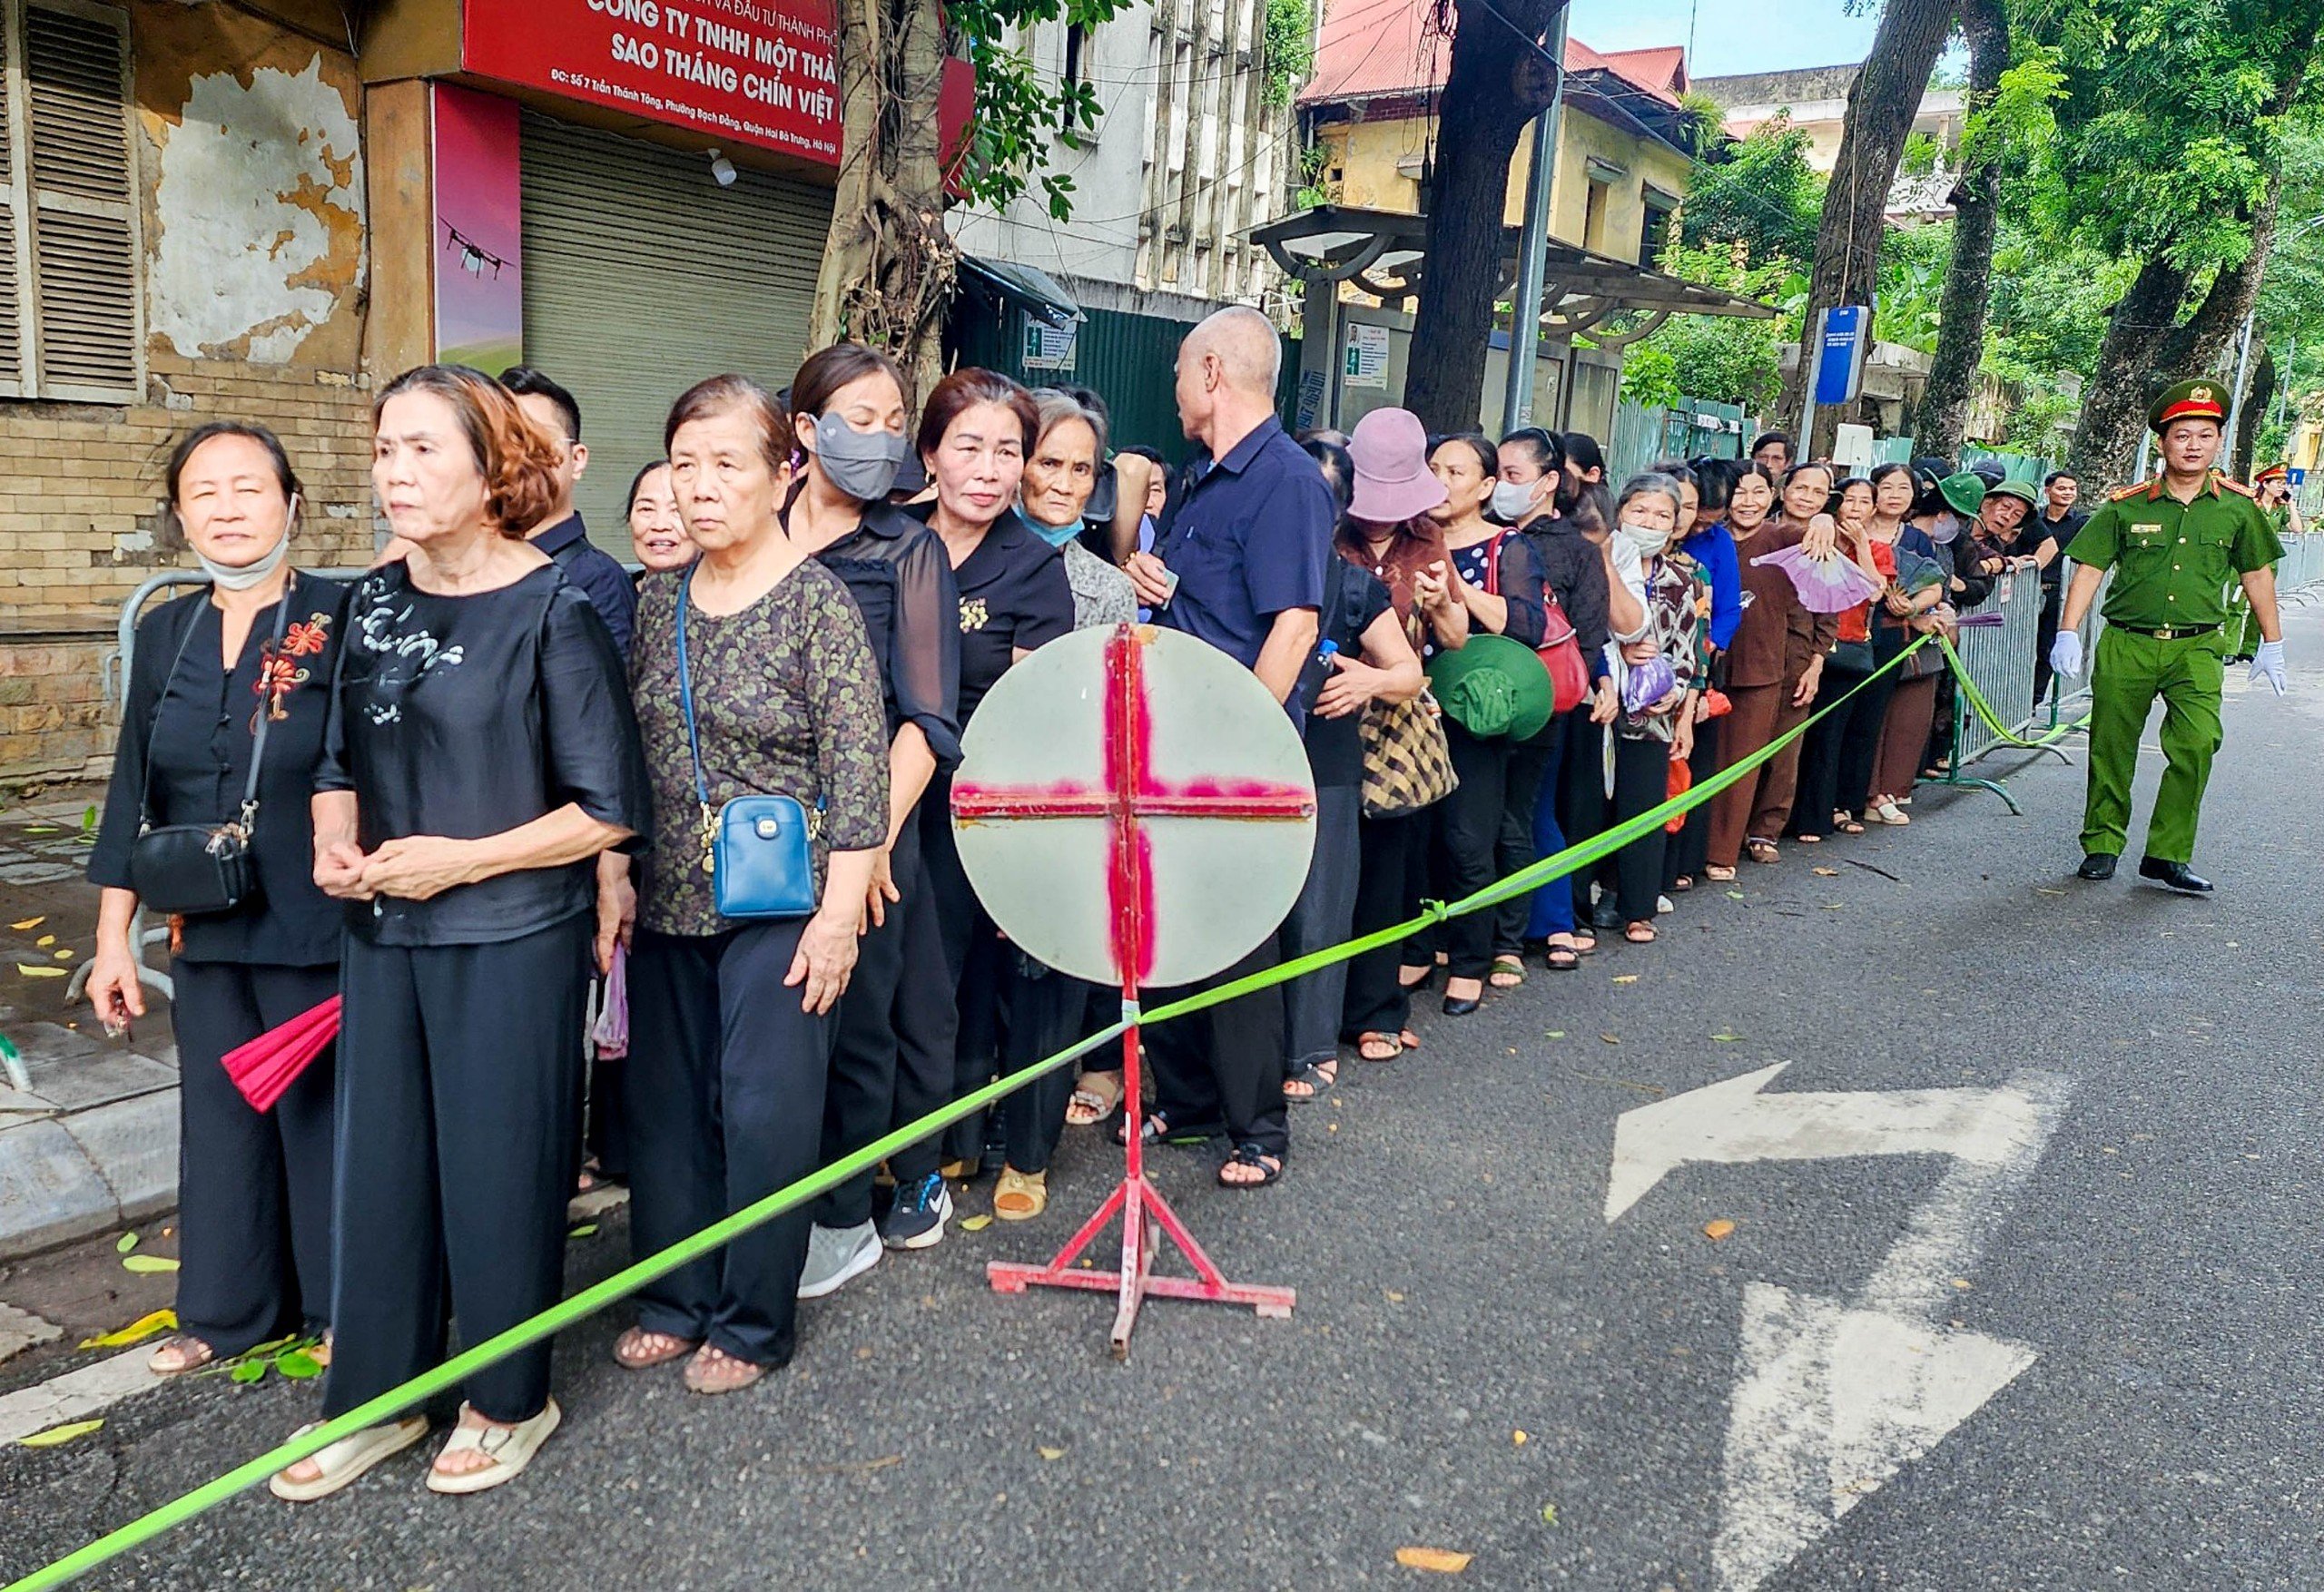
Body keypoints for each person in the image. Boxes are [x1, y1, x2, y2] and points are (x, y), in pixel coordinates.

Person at [274, 364, 648, 1501]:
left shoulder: (556, 608)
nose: (394, 471)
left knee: (499, 1168)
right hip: (384, 930)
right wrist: (336, 838)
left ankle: (507, 1394)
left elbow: (606, 807)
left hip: (511, 935)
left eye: (423, 450)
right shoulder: (368, 602)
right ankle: (380, 1398)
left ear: (493, 473)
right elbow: (335, 756)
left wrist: (465, 860)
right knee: (379, 1171)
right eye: (385, 448)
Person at [611, 377, 890, 1395]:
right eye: (684, 463)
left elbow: (859, 770)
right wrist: (615, 870)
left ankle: (752, 1317)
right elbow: (626, 754)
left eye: (726, 463)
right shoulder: (656, 603)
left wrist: (839, 916)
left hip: (786, 898)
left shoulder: (820, 603)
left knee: (766, 1112)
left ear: (785, 473)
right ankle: (674, 1297)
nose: (700, 486)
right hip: (671, 895)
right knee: (668, 1111)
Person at [86, 423, 349, 1381]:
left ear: (291, 503)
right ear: (180, 514)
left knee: (324, 1116)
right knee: (221, 1114)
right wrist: (115, 939)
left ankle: (341, 1305)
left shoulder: (343, 612)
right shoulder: (168, 629)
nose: (228, 509)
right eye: (205, 492)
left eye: (248, 487)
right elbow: (131, 793)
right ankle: (230, 1312)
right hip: (205, 920)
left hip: (320, 917)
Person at [1123, 305, 1333, 1189]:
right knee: (1169, 933)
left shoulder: (1284, 477)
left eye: (1178, 369)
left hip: (1233, 757)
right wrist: (1148, 578)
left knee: (1238, 946)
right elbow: (1200, 601)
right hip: (1167, 744)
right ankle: (1192, 1098)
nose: (1173, 388)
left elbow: (1294, 623)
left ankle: (1257, 1128)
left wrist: (1242, 744)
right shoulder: (1201, 478)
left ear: (1212, 371)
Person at [779, 343, 964, 1291]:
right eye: (864, 415)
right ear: (807, 430)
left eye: (897, 421)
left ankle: (843, 1213)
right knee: (768, 1018)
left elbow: (927, 716)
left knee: (857, 1019)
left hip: (878, 824)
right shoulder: (757, 533)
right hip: (760, 828)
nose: (884, 437)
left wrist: (872, 837)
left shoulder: (907, 547)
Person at [904, 372, 1077, 1209]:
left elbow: (1035, 717)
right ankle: (944, 1141)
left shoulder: (1033, 570)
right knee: (931, 977)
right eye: (968, 446)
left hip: (996, 800)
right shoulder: (893, 542)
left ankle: (1025, 1153)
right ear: (929, 453)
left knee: (1015, 974)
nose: (988, 467)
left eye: (1007, 450)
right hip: (901, 800)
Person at [2053, 379, 2287, 893]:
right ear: (2163, 443)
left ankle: (2167, 853)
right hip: (2128, 642)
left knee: (2198, 743)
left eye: (2206, 434)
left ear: (2219, 442)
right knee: (2111, 746)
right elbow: (2089, 569)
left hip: (2198, 645)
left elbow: (2257, 575)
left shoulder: (2238, 507)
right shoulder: (2126, 506)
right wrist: (2067, 631)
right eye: (2182, 434)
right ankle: (2102, 844)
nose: (2194, 444)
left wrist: (2272, 641)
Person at [1282, 436, 1422, 1094]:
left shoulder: (1355, 586)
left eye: (1323, 501)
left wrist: (1366, 682)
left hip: (1327, 764)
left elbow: (1408, 673)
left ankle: (1309, 1049)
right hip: (1245, 759)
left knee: (1319, 910)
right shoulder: (1242, 564)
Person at [1411, 430, 1547, 1014]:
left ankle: (1470, 961)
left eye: (1457, 472)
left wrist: (1455, 589)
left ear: (1488, 486)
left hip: (1473, 713)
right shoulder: (1407, 538)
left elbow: (1526, 626)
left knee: (1469, 839)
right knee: (1412, 838)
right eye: (1432, 467)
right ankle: (1418, 947)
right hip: (1408, 705)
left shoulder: (1506, 547)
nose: (1440, 481)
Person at [1334, 411, 1453, 1066]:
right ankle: (1315, 1014)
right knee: (1327, 875)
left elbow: (1457, 636)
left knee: (1386, 878)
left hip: (1398, 725)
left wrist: (1439, 604)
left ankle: (1378, 1008)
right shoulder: (1326, 528)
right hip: (1323, 712)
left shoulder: (1426, 537)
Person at [1494, 427, 1608, 972]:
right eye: (1498, 474)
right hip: (1479, 693)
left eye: (1513, 476)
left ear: (1548, 483)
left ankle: (1555, 921)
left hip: (1542, 699)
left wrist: (1585, 682)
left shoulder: (1578, 552)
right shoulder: (1484, 537)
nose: (1502, 486)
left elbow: (1589, 637)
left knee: (1533, 810)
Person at [1704, 462, 1836, 879]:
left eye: (1759, 493)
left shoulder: (1783, 538)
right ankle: (1692, 847)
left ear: (1773, 495)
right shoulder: (1709, 537)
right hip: (1709, 661)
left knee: (1748, 762)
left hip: (1765, 665)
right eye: (1739, 493)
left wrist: (1825, 519)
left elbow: (1824, 581)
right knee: (1705, 758)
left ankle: (1726, 850)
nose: (1748, 502)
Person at [499, 366, 638, 655]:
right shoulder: (480, 568)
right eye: (504, 442)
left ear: (577, 460)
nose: (520, 458)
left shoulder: (598, 581)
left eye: (538, 441)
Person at [1789, 477, 1895, 841]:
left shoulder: (1878, 549)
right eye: (1849, 500)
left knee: (1831, 735)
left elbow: (1876, 590)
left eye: (1864, 502)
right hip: (1808, 642)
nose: (1855, 508)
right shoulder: (1818, 535)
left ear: (1874, 509)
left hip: (1847, 645)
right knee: (1800, 732)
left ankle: (1819, 816)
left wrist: (1862, 545)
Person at [1863, 462, 1949, 824]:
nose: (1895, 495)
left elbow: (1934, 584)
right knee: (1860, 717)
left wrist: (1913, 607)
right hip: (1856, 632)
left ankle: (1883, 791)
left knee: (1893, 717)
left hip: (1898, 632)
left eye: (1904, 489)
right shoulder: (1851, 528)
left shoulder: (1916, 539)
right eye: (1887, 487)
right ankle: (1856, 793)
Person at [2027, 469, 2087, 707]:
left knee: (2046, 648)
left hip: (2058, 594)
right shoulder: (2033, 521)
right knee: (2020, 646)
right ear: (2048, 490)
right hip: (2029, 590)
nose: (2067, 493)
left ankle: (2035, 700)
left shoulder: (2082, 523)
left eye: (2072, 489)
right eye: (2062, 488)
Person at [626, 459, 692, 574]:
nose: (660, 525)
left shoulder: (728, 591)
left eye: (678, 510)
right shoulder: (609, 588)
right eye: (646, 509)